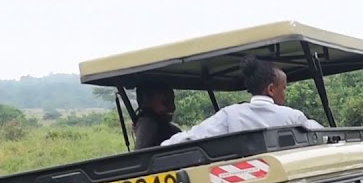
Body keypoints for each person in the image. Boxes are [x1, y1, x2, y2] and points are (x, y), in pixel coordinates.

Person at [161, 55, 323, 145]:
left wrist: (162, 147)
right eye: (284, 88)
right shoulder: (292, 117)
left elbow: (194, 136)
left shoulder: (230, 115)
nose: (285, 93)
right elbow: (322, 134)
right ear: (271, 89)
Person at [132, 84, 181, 149]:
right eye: (165, 102)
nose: (173, 107)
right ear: (147, 102)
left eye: (172, 101)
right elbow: (141, 157)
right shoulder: (148, 124)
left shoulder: (169, 128)